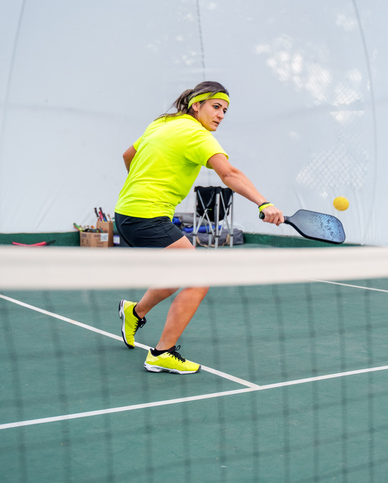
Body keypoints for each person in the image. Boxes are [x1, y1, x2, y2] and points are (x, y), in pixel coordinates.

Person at [114, 81, 284, 374]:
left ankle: (135, 312)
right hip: (147, 216)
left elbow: (128, 155)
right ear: (197, 105)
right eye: (216, 107)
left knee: (179, 271)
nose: (220, 115)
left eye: (225, 111)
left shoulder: (162, 125)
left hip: (126, 214)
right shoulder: (196, 134)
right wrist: (263, 203)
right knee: (200, 276)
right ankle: (161, 353)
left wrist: (144, 183)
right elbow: (228, 173)